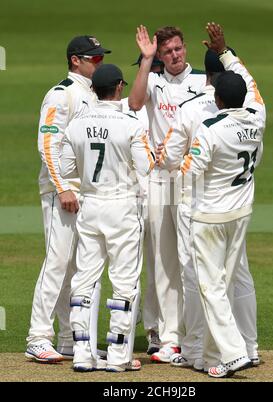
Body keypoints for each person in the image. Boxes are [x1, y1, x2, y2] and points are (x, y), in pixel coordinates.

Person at [157, 23, 262, 370]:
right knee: (236, 277)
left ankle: (206, 352)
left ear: (212, 87)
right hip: (241, 210)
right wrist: (227, 50)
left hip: (204, 211)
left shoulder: (195, 114)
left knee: (202, 282)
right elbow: (250, 82)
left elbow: (178, 164)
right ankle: (249, 345)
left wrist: (163, 162)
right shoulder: (256, 115)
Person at [60, 64, 155, 372]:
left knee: (84, 280)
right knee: (124, 283)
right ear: (118, 88)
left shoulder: (76, 124)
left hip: (90, 207)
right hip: (123, 208)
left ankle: (82, 354)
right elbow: (145, 167)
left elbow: (65, 169)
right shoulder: (130, 123)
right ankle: (117, 356)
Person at [25, 35, 111, 362]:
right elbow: (47, 144)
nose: (98, 63)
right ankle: (37, 335)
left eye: (101, 59)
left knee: (78, 268)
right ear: (76, 60)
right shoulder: (61, 95)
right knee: (57, 262)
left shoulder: (91, 94)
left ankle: (69, 339)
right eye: (95, 59)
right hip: (61, 193)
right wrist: (62, 187)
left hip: (84, 193)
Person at [128, 25, 206, 362]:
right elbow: (133, 103)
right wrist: (146, 61)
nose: (175, 55)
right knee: (162, 259)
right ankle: (168, 336)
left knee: (192, 257)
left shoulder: (203, 82)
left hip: (190, 178)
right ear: (160, 56)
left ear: (184, 48)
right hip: (159, 179)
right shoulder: (155, 81)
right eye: (167, 52)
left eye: (178, 49)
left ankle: (196, 335)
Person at [122, 54, 164, 355]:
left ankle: (155, 331)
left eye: (157, 69)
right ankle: (127, 326)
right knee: (129, 268)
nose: (154, 77)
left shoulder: (172, 106)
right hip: (130, 196)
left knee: (158, 265)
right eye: (148, 70)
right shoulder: (127, 106)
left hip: (164, 193)